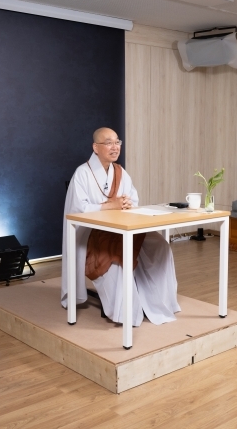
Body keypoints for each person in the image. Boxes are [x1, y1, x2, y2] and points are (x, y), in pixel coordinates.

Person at [61, 127, 181, 326]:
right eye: (108, 143)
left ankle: (158, 300)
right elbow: (77, 210)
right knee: (116, 255)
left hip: (121, 227)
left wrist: (125, 203)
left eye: (117, 142)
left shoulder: (120, 172)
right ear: (95, 147)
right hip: (90, 232)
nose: (115, 147)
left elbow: (132, 199)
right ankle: (125, 311)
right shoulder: (82, 173)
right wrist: (109, 205)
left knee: (161, 246)